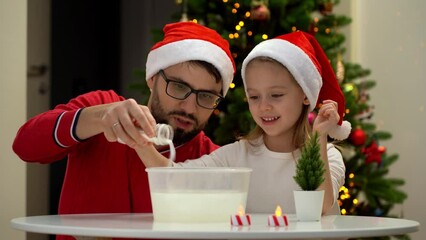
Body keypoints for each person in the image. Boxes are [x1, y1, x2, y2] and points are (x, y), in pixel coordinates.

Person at [12, 22, 235, 240]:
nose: (189, 107)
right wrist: (98, 118)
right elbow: (25, 146)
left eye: (206, 96)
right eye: (178, 86)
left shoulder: (212, 161)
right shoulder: (101, 108)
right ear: (152, 78)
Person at [135, 31, 351, 215]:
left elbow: (320, 206)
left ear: (306, 95)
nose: (263, 106)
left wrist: (320, 136)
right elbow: (172, 178)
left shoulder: (329, 155)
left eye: (276, 95)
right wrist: (138, 140)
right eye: (254, 97)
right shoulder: (235, 156)